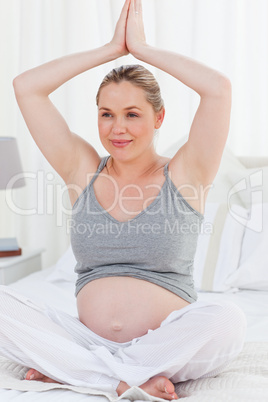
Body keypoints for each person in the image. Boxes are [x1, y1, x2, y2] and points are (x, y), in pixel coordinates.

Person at [0, 0, 246, 400]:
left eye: (132, 114)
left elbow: (218, 89)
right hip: (84, 339)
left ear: (159, 117)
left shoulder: (187, 173)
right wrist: (110, 50)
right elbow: (26, 87)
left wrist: (142, 49)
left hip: (166, 343)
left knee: (228, 320)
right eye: (106, 114)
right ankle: (120, 380)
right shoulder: (81, 169)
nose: (118, 129)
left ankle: (78, 372)